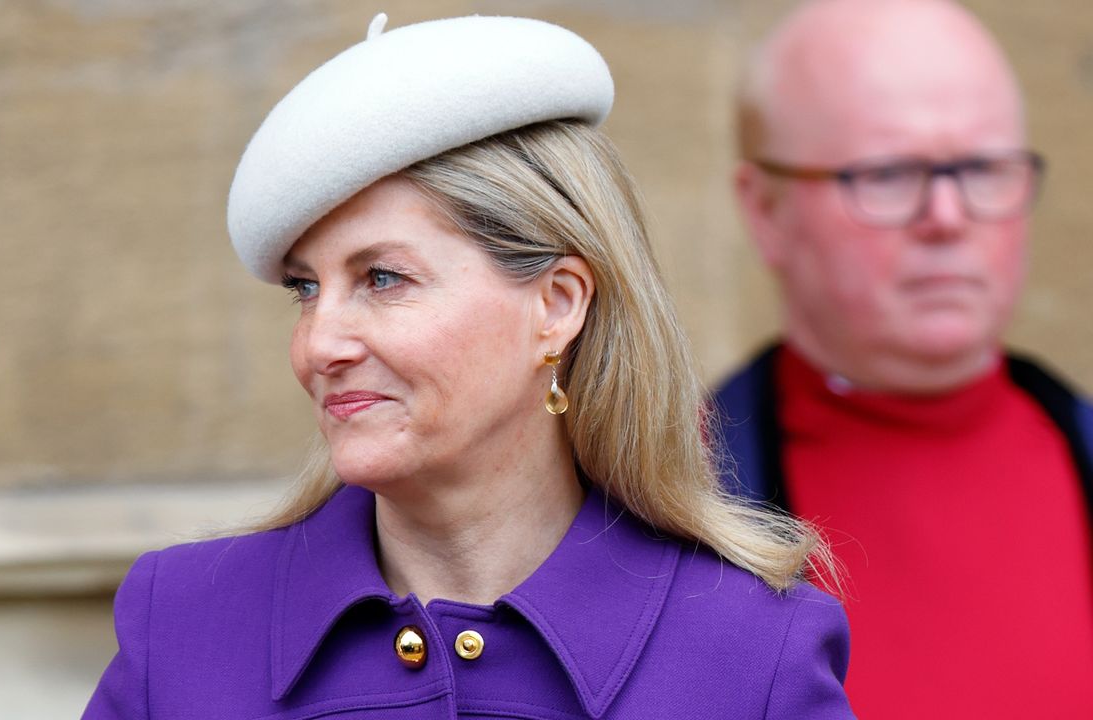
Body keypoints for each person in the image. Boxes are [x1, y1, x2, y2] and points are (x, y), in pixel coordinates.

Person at [84, 14, 854, 719]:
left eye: (382, 279)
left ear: (556, 305)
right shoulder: (185, 629)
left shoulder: (751, 657)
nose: (320, 345)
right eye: (305, 289)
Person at [719, 0, 1093, 717]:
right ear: (765, 209)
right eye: (887, 173)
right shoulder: (649, 508)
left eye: (983, 166)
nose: (948, 217)